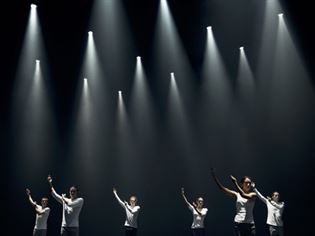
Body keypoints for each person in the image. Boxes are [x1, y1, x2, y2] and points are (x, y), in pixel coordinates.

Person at [211, 169, 256, 236]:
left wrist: (235, 182)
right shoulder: (236, 194)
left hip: (250, 225)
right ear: (242, 184)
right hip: (238, 224)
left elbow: (243, 195)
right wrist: (214, 177)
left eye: (249, 183)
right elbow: (222, 188)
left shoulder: (253, 194)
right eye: (246, 183)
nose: (248, 184)